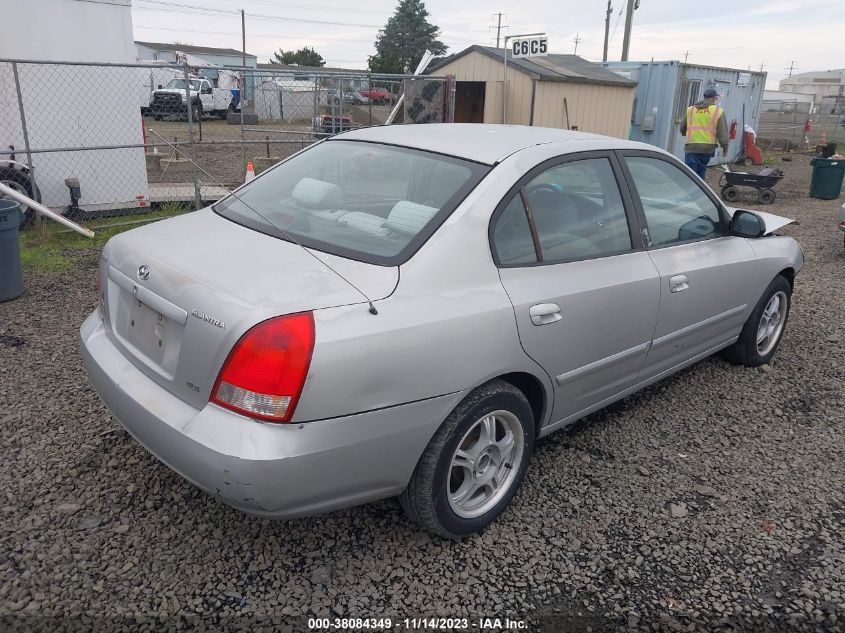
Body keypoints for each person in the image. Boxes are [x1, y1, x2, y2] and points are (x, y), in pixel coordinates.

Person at [679, 88, 729, 180]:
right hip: (707, 148)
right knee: (701, 171)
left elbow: (682, 129)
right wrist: (725, 147)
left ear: (704, 97)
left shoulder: (690, 110)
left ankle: (688, 190)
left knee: (690, 174)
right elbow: (723, 132)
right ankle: (700, 191)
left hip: (691, 147)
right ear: (714, 98)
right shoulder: (718, 111)